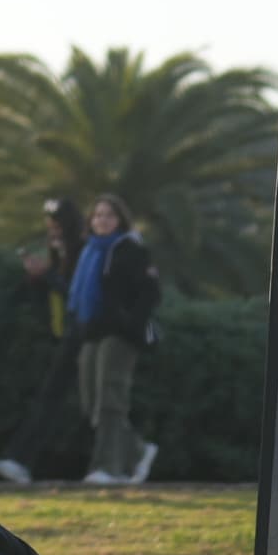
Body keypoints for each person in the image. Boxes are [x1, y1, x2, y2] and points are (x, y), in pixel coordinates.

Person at [0, 195, 88, 486]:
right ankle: (19, 459)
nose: (50, 227)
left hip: (80, 334)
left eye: (55, 222)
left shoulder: (82, 251)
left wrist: (48, 275)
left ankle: (19, 459)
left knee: (67, 400)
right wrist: (37, 277)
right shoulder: (60, 251)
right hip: (64, 334)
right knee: (76, 400)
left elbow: (77, 293)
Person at [72, 195, 164, 485]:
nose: (102, 220)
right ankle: (137, 451)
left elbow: (150, 292)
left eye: (109, 216)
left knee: (111, 400)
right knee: (91, 404)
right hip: (92, 332)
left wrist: (128, 322)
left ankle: (107, 468)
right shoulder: (89, 251)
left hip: (119, 336)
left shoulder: (130, 249)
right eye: (97, 215)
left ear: (120, 220)